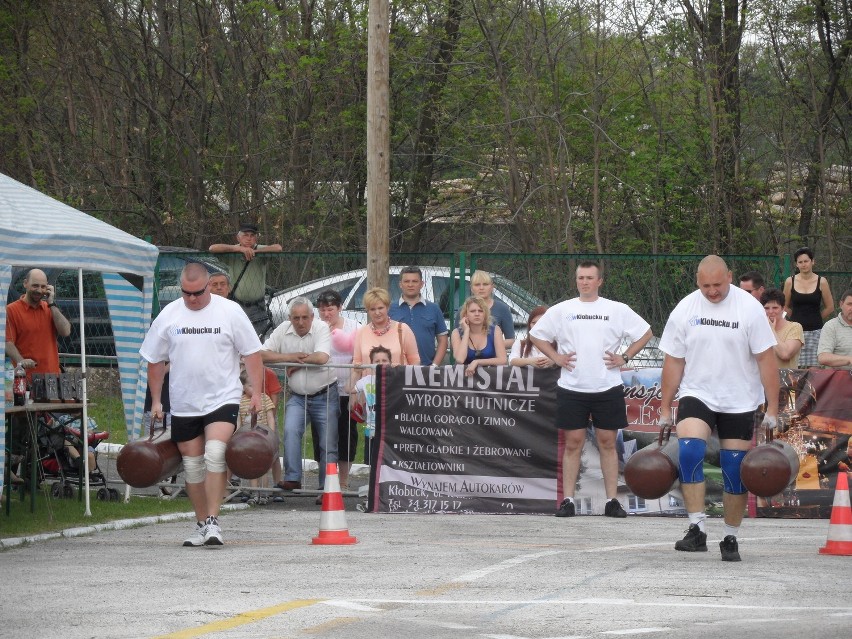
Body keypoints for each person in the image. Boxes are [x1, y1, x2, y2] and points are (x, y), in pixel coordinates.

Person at [659, 255, 779, 562]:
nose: (712, 291)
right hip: (697, 392)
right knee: (689, 451)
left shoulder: (750, 308)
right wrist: (664, 408)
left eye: (718, 284)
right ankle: (696, 528)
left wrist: (773, 409)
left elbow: (767, 360)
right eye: (705, 285)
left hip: (739, 398)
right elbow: (674, 361)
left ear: (729, 276)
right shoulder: (685, 308)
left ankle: (730, 536)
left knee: (733, 470)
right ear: (697, 281)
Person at [141, 262, 264, 547]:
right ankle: (200, 524)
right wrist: (157, 400)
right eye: (186, 293)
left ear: (209, 285)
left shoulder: (230, 311)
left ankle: (213, 521)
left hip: (222, 397)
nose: (192, 298)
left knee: (216, 452)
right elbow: (154, 360)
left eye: (197, 292)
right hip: (185, 402)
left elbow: (253, 353)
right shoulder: (170, 314)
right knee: (193, 466)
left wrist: (256, 393)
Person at [529, 261, 652, 519]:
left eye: (589, 278)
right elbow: (537, 335)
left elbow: (646, 332)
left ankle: (611, 502)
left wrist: (625, 357)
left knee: (608, 443)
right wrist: (556, 357)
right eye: (580, 278)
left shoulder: (617, 309)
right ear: (576, 281)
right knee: (573, 444)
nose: (584, 282)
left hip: (607, 386)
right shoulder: (563, 310)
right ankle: (568, 501)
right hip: (572, 387)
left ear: (599, 281)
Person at [261, 297, 338, 498]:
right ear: (289, 318)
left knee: (327, 443)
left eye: (305, 317)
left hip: (325, 393)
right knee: (289, 431)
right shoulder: (283, 329)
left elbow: (322, 357)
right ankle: (293, 477)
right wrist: (290, 358)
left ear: (312, 317)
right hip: (297, 396)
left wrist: (297, 364)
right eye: (296, 318)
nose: (301, 322)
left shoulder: (321, 327)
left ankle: (326, 488)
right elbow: (261, 354)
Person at [316, 289, 361, 489]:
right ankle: (325, 481)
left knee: (346, 435)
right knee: (322, 435)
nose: (327, 314)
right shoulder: (315, 328)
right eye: (323, 310)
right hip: (323, 389)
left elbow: (359, 356)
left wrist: (354, 388)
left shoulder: (354, 327)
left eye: (331, 309)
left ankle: (342, 482)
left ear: (340, 308)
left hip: (346, 390)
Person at [209, 222, 282, 334]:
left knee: (259, 339)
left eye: (252, 235)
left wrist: (254, 252)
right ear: (238, 237)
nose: (249, 238)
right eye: (245, 235)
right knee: (235, 337)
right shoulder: (233, 250)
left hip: (258, 306)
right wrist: (239, 250)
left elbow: (278, 248)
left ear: (256, 238)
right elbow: (212, 248)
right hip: (236, 305)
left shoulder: (261, 249)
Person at [5, 268, 72, 382]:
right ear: (25, 283)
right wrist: (21, 361)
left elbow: (66, 331)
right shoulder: (12, 310)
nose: (39, 290)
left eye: (43, 286)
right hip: (26, 379)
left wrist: (51, 303)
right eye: (35, 285)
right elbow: (7, 342)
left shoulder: (50, 309)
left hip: (52, 378)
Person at [350, 288, 420, 390]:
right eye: (372, 309)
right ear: (367, 310)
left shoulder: (403, 329)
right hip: (370, 394)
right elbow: (356, 365)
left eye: (380, 308)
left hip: (398, 392)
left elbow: (415, 362)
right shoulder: (361, 332)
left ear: (387, 307)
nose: (377, 312)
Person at [783, 247, 835, 367]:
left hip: (816, 332)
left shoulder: (822, 281)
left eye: (806, 261)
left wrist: (816, 317)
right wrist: (795, 318)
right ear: (796, 264)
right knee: (795, 370)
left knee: (815, 371)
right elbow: (784, 306)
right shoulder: (789, 281)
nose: (803, 264)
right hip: (795, 333)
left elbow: (830, 307)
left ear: (812, 261)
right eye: (800, 262)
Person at [389, 266, 448, 366]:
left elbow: (443, 340)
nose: (410, 285)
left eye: (415, 281)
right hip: (397, 369)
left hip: (426, 368)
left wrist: (434, 366)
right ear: (400, 284)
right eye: (406, 281)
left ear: (421, 284)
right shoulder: (390, 309)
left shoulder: (434, 309)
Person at [238, 368, 279, 504]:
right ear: (243, 387)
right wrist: (237, 434)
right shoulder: (241, 401)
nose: (255, 388)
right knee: (251, 467)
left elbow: (270, 416)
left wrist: (271, 433)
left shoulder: (264, 398)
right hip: (248, 439)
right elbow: (239, 420)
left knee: (264, 467)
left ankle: (264, 493)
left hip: (262, 437)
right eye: (251, 386)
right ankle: (254, 493)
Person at [451, 296, 507, 377]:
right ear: (466, 315)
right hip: (464, 380)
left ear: (485, 314)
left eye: (480, 311)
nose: (477, 314)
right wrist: (466, 331)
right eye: (472, 311)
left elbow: (503, 360)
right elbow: (460, 359)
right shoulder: (456, 333)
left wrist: (477, 362)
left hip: (490, 379)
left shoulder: (495, 330)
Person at [467, 270, 516, 350]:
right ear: (471, 288)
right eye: (477, 285)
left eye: (485, 284)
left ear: (492, 287)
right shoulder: (464, 309)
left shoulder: (502, 308)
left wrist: (489, 346)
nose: (481, 288)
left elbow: (511, 340)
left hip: (494, 358)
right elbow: (456, 341)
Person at [761, 288, 804, 369]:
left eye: (775, 308)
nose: (770, 311)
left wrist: (771, 330)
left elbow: (785, 354)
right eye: (766, 308)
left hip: (788, 380)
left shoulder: (795, 327)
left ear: (783, 308)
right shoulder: (758, 329)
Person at [817, 288, 852, 369]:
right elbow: (823, 357)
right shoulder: (831, 326)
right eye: (849, 304)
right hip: (839, 379)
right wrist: (849, 360)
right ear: (841, 304)